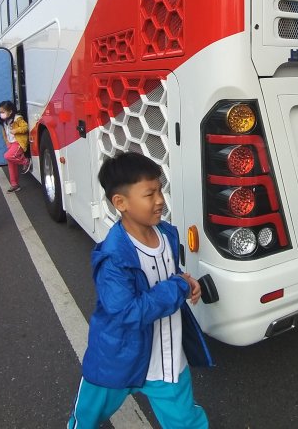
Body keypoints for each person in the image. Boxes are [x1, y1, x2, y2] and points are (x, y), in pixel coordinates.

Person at [68, 152, 212, 429]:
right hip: (117, 357)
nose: (160, 200)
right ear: (120, 203)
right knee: (86, 418)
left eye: (160, 190)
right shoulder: (113, 258)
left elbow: (170, 278)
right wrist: (178, 286)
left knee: (186, 422)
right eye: (149, 194)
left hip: (166, 360)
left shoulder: (166, 234)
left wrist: (186, 282)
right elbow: (126, 312)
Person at [0, 100, 31, 193]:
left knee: (7, 156)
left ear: (10, 111)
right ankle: (14, 185)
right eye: (0, 112)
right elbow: (4, 134)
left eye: (3, 112)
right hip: (11, 144)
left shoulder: (17, 119)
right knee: (11, 165)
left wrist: (16, 130)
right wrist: (7, 142)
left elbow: (25, 127)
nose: (1, 114)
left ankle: (25, 161)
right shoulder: (4, 121)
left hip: (18, 142)